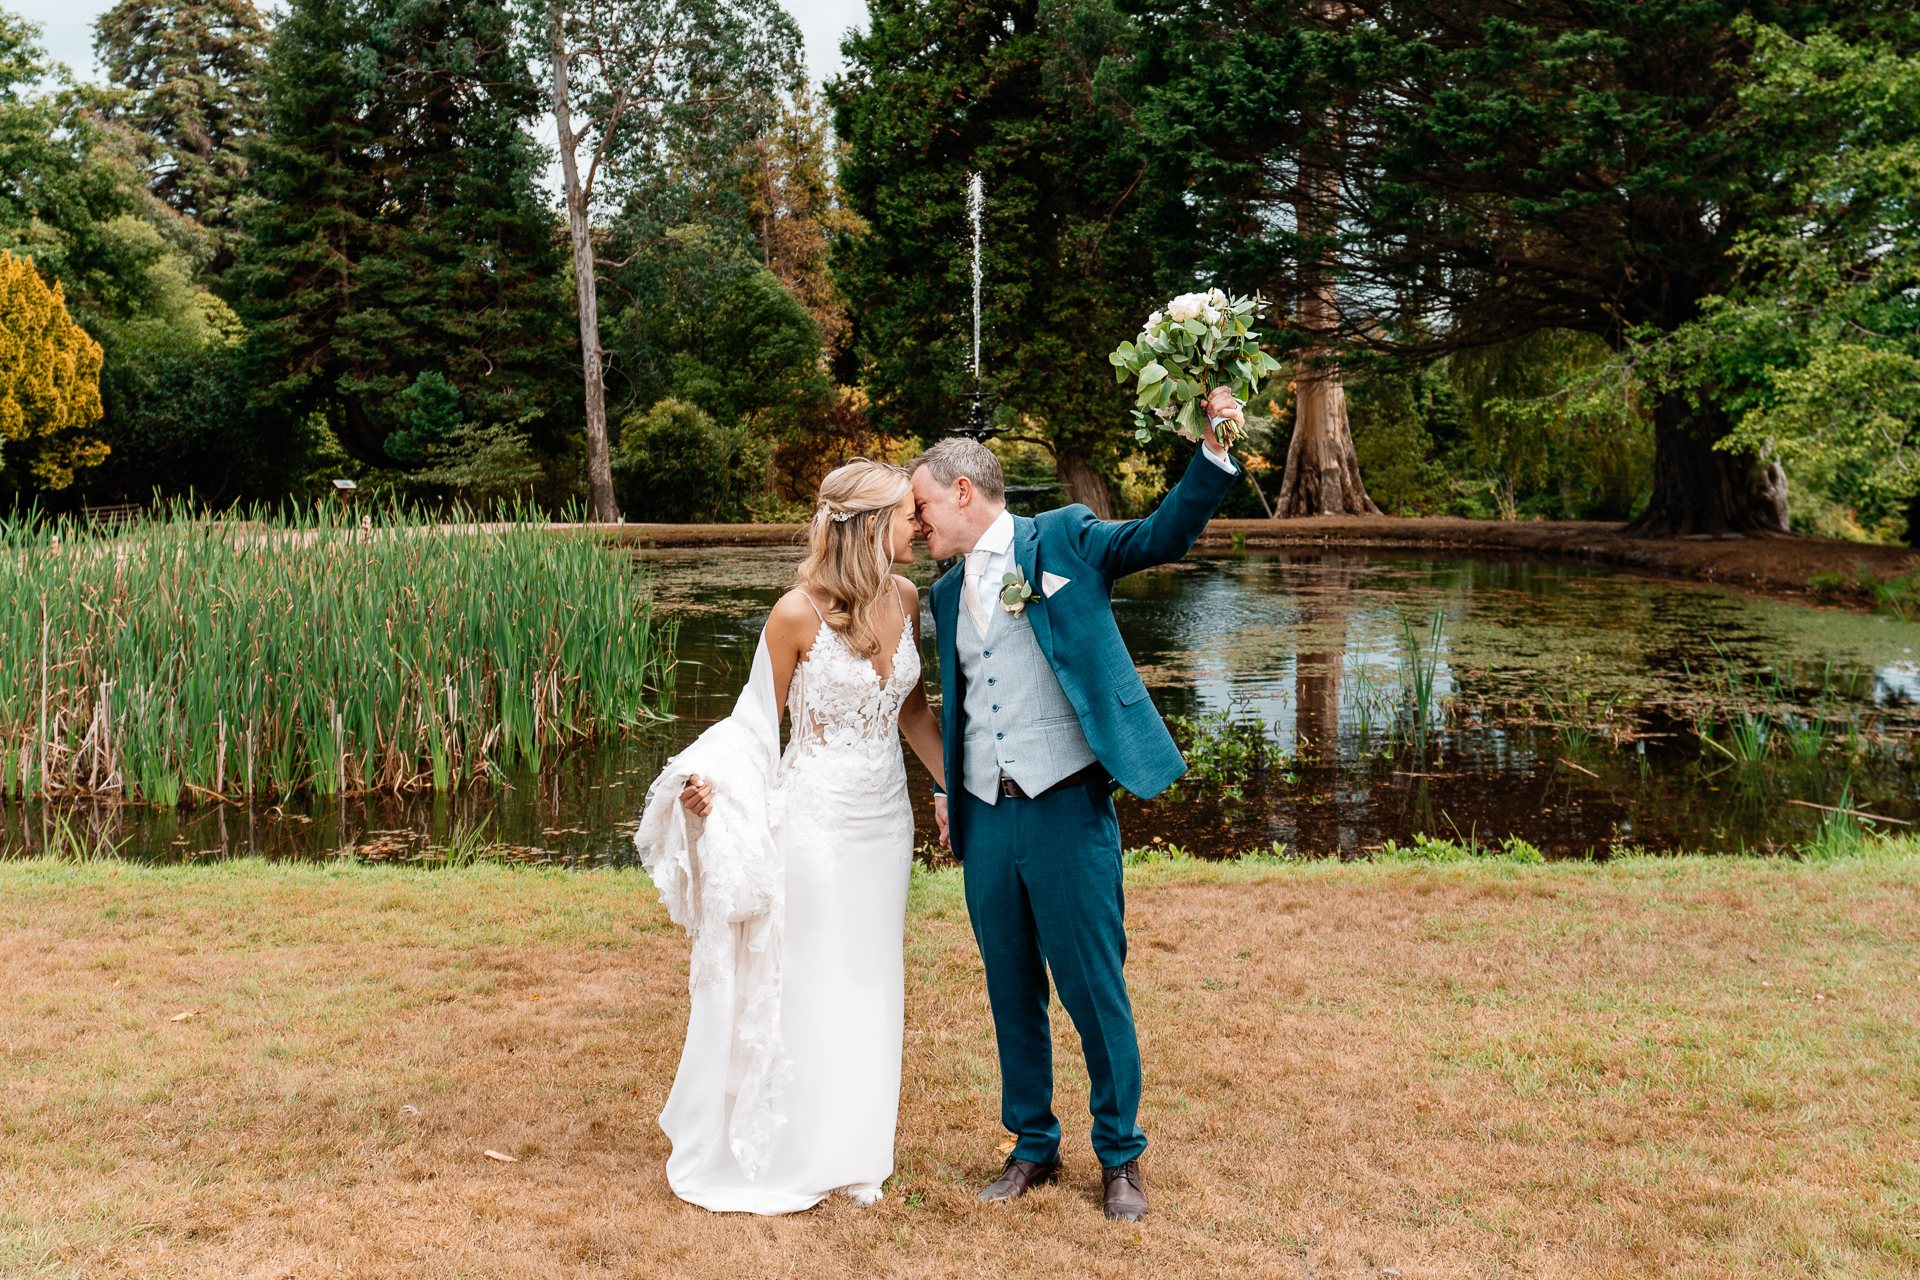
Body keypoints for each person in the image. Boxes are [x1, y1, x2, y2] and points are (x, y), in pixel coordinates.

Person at [908, 386, 1243, 1222]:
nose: (916, 526)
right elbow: (962, 703)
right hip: (987, 819)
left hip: (1066, 806)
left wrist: (1212, 450)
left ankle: (1120, 1159)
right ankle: (1031, 1147)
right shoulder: (945, 595)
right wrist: (952, 786)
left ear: (961, 490)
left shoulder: (1061, 536)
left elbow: (1161, 536)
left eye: (920, 507)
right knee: (1010, 987)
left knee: (1093, 988)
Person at [632, 459, 945, 1214]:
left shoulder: (906, 598)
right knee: (813, 980)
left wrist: (953, 789)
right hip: (816, 824)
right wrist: (713, 785)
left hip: (884, 822)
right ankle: (794, 1147)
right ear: (870, 526)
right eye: (908, 515)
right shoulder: (795, 613)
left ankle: (856, 1147)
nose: (920, 526)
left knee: (871, 979)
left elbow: (912, 713)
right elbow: (753, 724)